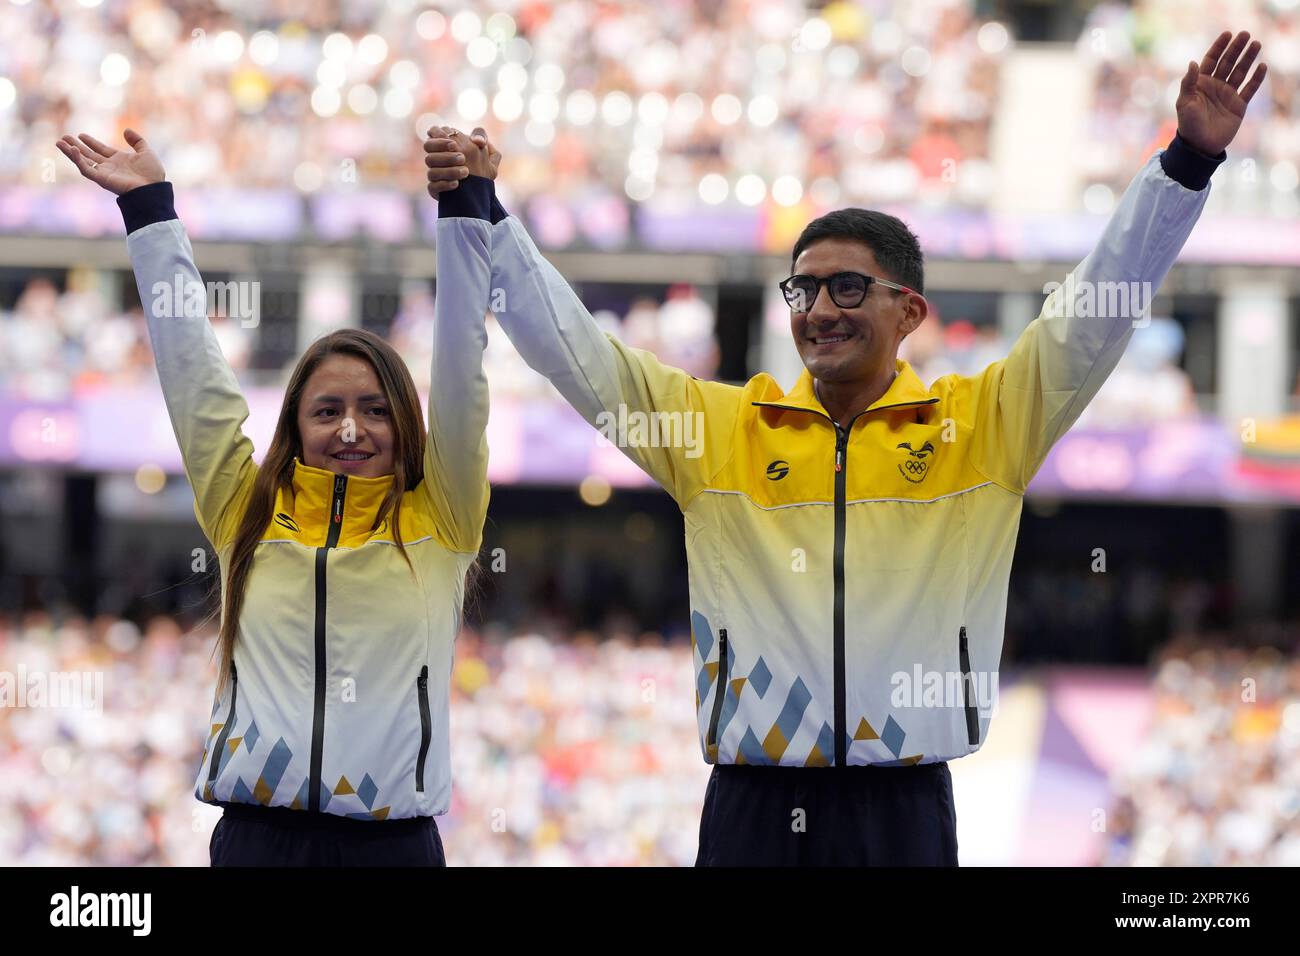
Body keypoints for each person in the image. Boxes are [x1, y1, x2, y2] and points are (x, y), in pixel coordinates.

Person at [425, 31, 1267, 865]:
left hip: (901, 808)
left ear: (910, 312)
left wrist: (1186, 163)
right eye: (804, 287)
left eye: (848, 286)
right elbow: (576, 353)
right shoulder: (718, 433)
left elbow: (1096, 312)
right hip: (751, 803)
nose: (819, 309)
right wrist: (484, 214)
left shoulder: (983, 426)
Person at [56, 126, 501, 866]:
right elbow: (194, 376)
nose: (352, 429)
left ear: (406, 423)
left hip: (393, 849)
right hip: (254, 842)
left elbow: (461, 366)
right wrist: (150, 212)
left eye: (376, 409)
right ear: (295, 422)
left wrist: (466, 211)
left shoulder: (441, 514)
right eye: (327, 410)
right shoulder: (245, 509)